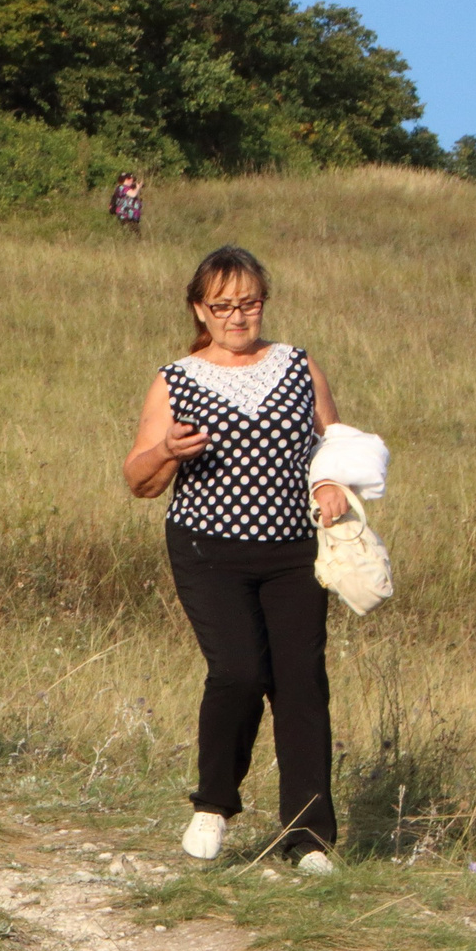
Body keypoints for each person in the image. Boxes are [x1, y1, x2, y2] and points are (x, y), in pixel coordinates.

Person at [122, 245, 353, 875]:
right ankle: (214, 802)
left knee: (302, 684)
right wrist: (168, 449)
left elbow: (335, 444)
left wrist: (332, 483)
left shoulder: (301, 366)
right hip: (207, 548)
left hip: (294, 550)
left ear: (263, 303)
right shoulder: (175, 378)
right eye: (222, 305)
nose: (238, 316)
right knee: (239, 672)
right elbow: (138, 479)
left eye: (249, 303)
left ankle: (309, 838)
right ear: (200, 309)